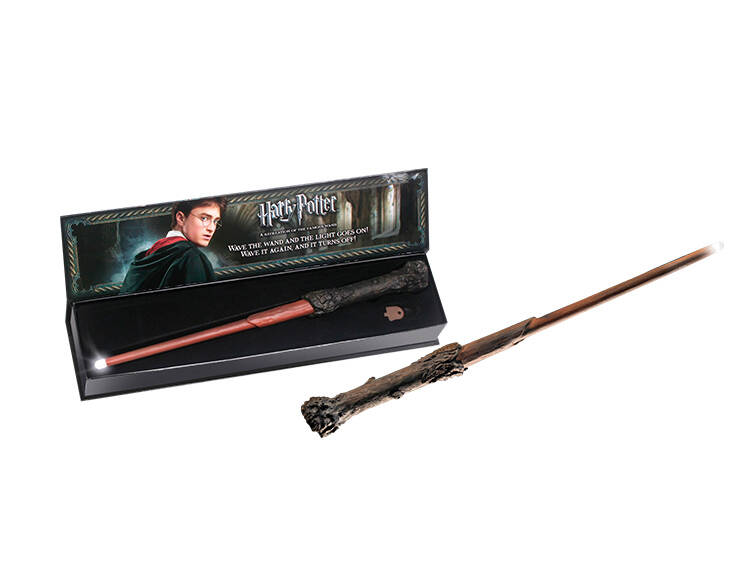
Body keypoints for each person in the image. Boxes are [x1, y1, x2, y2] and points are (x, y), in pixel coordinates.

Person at [120, 197, 227, 294]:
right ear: (181, 218)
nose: (211, 228)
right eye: (204, 218)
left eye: (215, 221)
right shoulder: (191, 257)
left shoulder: (145, 257)